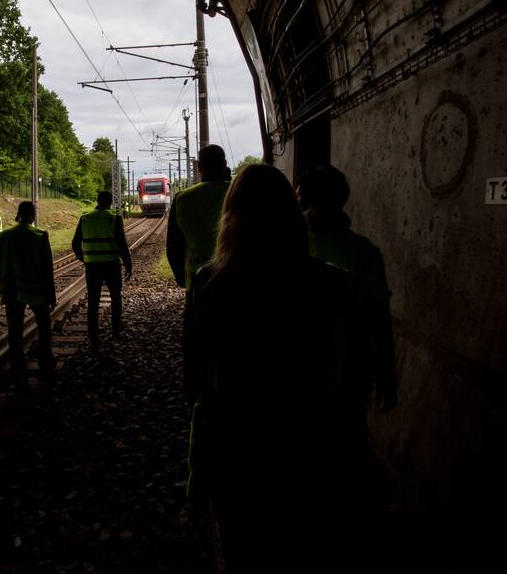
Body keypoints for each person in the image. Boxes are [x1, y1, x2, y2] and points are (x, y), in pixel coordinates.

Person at [186, 164, 362, 570]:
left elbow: (196, 385)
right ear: (293, 214)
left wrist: (199, 473)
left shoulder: (207, 284)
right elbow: (348, 383)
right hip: (311, 451)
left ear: (231, 216)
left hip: (237, 453)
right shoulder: (337, 285)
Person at [296, 164, 398, 413]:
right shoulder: (366, 254)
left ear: (309, 203)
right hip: (350, 370)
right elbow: (379, 319)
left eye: (299, 197)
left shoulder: (291, 249)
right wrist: (386, 379)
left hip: (298, 369)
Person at [165, 144, 230, 401]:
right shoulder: (236, 193)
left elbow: (173, 247)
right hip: (240, 278)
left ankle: (202, 398)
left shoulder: (183, 199)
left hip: (198, 283)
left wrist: (183, 279)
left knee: (198, 345)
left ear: (199, 168)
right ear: (225, 164)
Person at [0, 200, 57, 386]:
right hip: (36, 290)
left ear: (18, 213)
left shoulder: (4, 236)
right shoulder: (39, 235)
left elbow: (0, 262)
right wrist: (51, 294)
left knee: (14, 330)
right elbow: (47, 269)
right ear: (32, 214)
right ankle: (44, 362)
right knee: (44, 325)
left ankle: (18, 368)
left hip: (12, 290)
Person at [72, 190, 132, 352]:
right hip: (111, 265)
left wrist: (85, 259)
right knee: (115, 297)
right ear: (111, 201)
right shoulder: (114, 218)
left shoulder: (85, 218)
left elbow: (75, 244)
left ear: (97, 201)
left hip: (93, 267)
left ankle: (93, 336)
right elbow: (122, 245)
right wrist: (128, 264)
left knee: (93, 301)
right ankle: (116, 330)